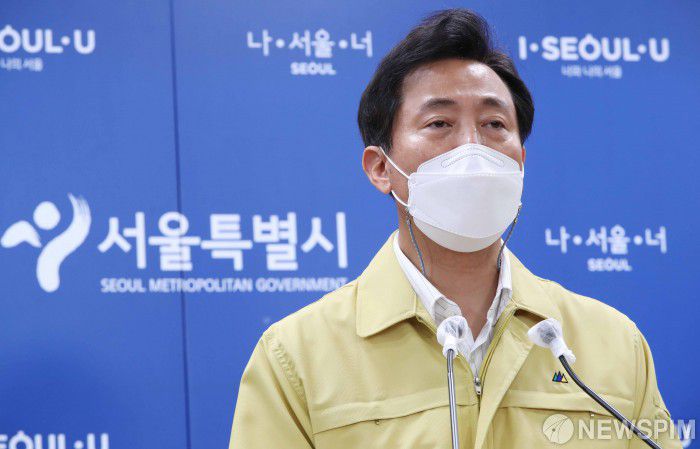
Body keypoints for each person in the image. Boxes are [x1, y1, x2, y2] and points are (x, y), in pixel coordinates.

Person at [229, 8, 680, 449]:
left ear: (521, 162)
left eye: (494, 124)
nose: (472, 149)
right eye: (440, 123)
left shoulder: (613, 344)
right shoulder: (297, 357)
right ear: (381, 168)